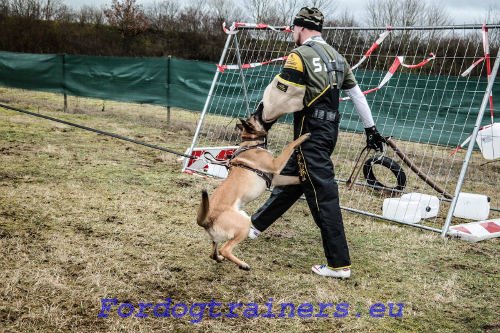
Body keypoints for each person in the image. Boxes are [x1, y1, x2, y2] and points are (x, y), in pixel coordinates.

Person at [249, 7, 385, 279]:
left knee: (323, 194)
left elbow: (279, 98)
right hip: (329, 131)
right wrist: (371, 129)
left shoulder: (299, 56)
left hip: (309, 131)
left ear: (300, 28)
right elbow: (357, 95)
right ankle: (253, 226)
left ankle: (338, 264)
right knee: (293, 180)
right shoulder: (338, 57)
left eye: (293, 30)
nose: (292, 35)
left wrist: (259, 122)